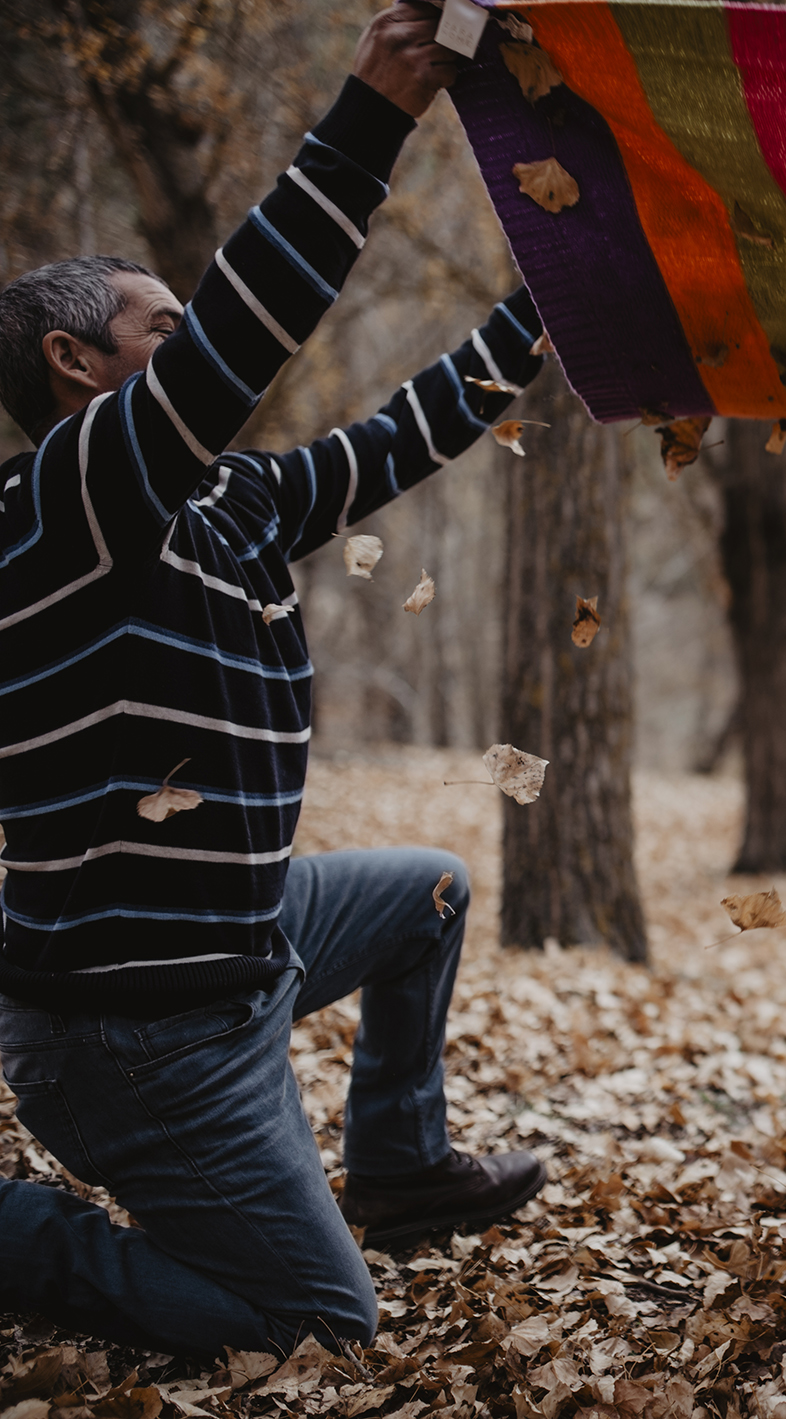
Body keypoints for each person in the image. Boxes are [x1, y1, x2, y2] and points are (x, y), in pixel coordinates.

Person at [0, 4, 548, 1359]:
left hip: (242, 935)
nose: (192, 347)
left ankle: (404, 1162)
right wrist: (372, 114)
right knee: (317, 1320)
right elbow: (244, 332)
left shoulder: (228, 503)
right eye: (159, 329)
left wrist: (564, 297)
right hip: (138, 1032)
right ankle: (23, 1234)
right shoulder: (58, 505)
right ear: (76, 362)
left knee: (429, 887)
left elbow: (407, 431)